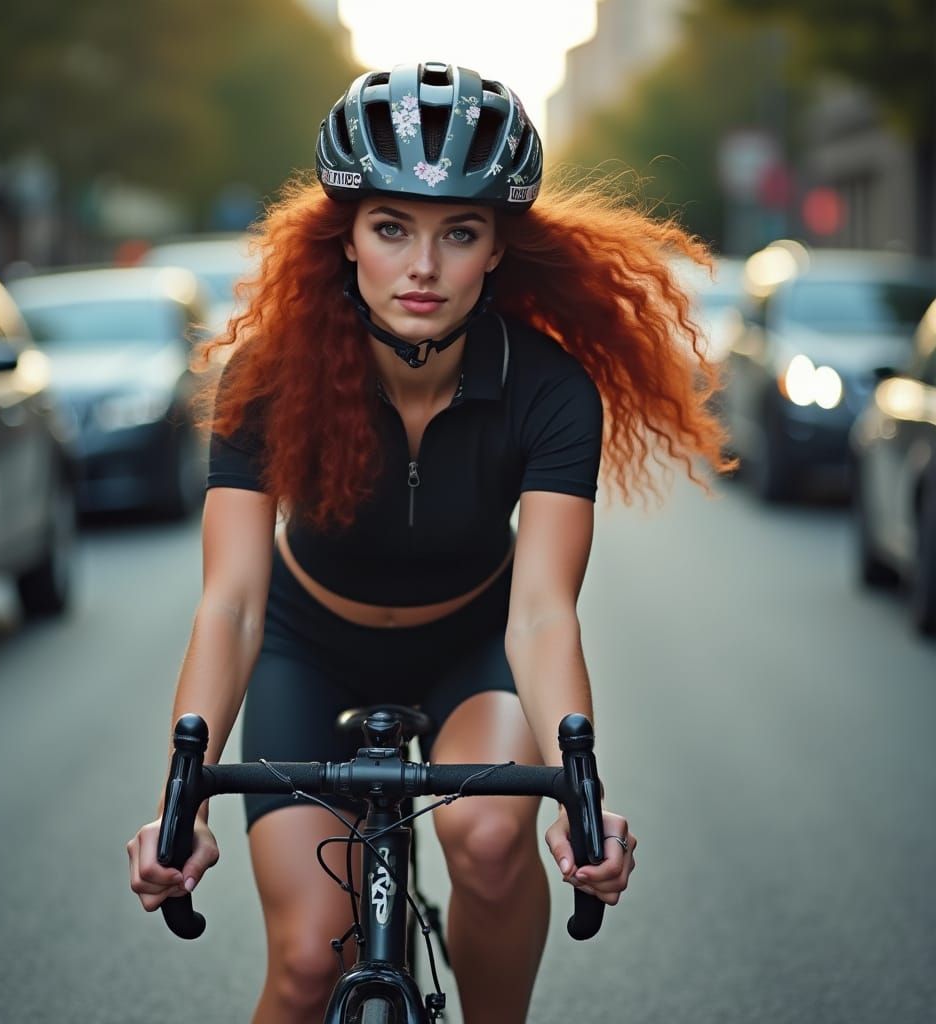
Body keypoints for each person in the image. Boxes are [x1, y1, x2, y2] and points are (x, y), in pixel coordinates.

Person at [128, 61, 728, 1024]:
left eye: (460, 233)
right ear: (347, 238)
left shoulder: (550, 390)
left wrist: (580, 797)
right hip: (305, 649)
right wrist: (180, 796)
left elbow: (539, 613)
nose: (423, 266)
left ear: (496, 249)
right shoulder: (265, 377)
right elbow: (232, 603)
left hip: (471, 645)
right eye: (392, 227)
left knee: (493, 845)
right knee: (305, 967)